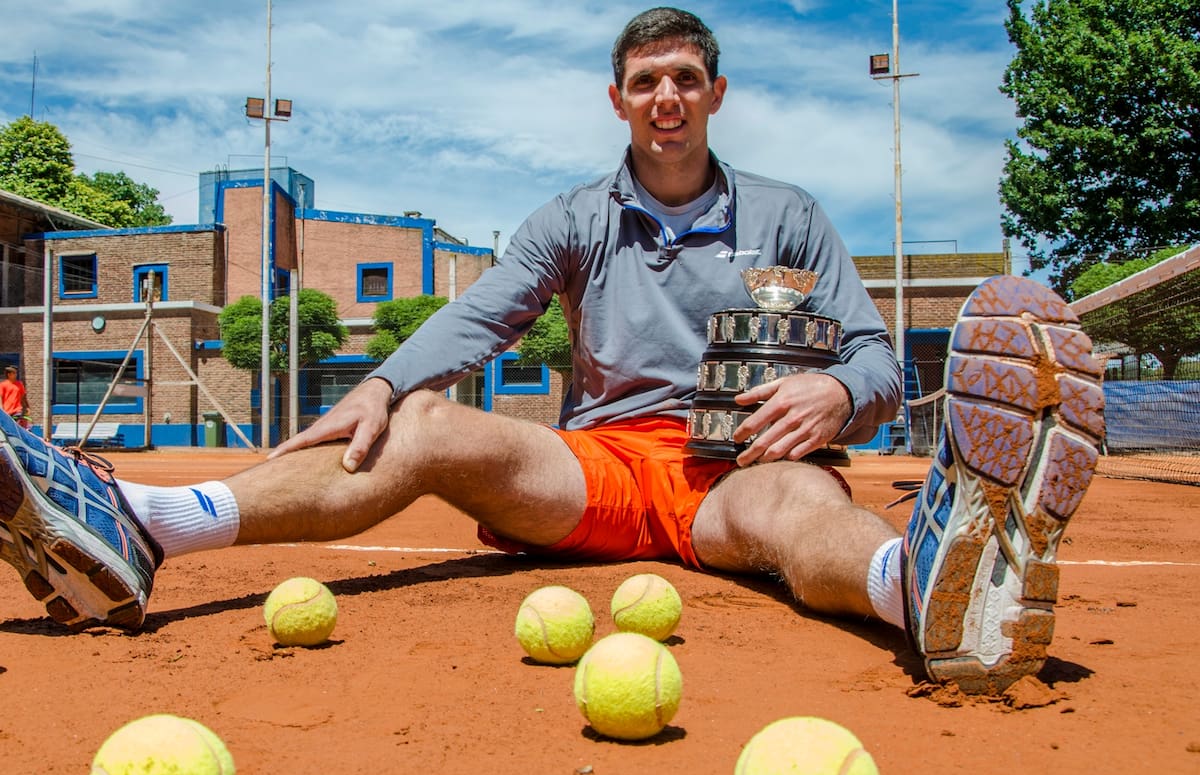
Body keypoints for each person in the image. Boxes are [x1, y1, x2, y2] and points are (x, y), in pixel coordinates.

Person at [0, 7, 1103, 695]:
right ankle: (148, 524)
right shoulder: (575, 216)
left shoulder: (793, 215)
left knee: (792, 511)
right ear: (618, 101)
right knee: (423, 422)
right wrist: (387, 377)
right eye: (644, 81)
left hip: (741, 464)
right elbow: (480, 314)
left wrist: (833, 386)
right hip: (604, 466)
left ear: (714, 94)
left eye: (684, 77)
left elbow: (878, 361)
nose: (665, 97)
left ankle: (925, 593)